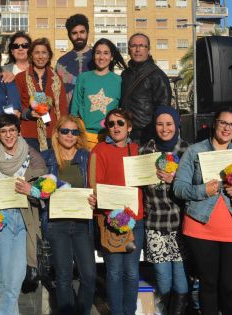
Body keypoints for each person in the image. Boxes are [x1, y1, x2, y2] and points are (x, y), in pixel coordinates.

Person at [173, 108, 232, 315]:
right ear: (215, 123)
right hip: (201, 228)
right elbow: (178, 187)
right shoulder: (194, 151)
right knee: (208, 285)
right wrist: (203, 190)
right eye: (223, 123)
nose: (227, 128)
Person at [0, 113, 47, 315]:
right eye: (3, 131)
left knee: (16, 278)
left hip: (25, 220)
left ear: (18, 131)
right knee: (5, 280)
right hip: (0, 219)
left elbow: (46, 191)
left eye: (12, 130)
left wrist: (30, 191)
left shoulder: (32, 155)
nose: (8, 135)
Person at [89, 108, 144, 315]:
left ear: (129, 126)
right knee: (113, 272)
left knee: (131, 272)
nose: (115, 127)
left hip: (135, 220)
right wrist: (110, 211)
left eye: (120, 123)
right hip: (110, 220)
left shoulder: (138, 150)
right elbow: (95, 185)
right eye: (110, 124)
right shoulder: (99, 150)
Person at [41, 115, 97, 315]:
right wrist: (41, 191)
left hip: (82, 224)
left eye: (75, 132)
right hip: (57, 225)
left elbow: (95, 186)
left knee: (89, 276)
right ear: (57, 133)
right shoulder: (46, 157)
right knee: (64, 277)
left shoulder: (87, 156)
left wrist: (95, 199)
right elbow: (37, 190)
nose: (70, 135)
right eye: (65, 131)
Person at [139, 106, 189, 315]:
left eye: (169, 124)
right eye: (160, 124)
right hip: (155, 222)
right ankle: (168, 309)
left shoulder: (188, 151)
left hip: (181, 223)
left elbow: (195, 185)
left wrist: (175, 179)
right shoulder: (144, 152)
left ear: (177, 125)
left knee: (180, 274)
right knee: (162, 275)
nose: (164, 128)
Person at [70, 38, 125, 148]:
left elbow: (121, 111)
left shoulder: (119, 80)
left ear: (112, 56)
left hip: (109, 138)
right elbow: (74, 108)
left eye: (106, 53)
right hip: (85, 138)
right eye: (98, 53)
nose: (101, 57)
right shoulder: (83, 78)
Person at [15, 37, 68, 151]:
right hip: (29, 134)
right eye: (37, 53)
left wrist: (63, 131)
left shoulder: (57, 79)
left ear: (49, 55)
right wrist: (28, 113)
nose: (40, 56)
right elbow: (16, 105)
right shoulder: (20, 78)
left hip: (53, 133)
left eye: (44, 52)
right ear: (31, 55)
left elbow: (62, 108)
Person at [120, 33, 172, 145]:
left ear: (148, 50)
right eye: (133, 46)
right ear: (129, 50)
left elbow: (163, 109)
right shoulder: (125, 74)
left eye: (142, 46)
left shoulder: (157, 75)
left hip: (147, 136)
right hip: (125, 134)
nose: (138, 49)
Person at [55, 14, 93, 104]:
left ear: (88, 32)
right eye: (74, 33)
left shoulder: (99, 58)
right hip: (69, 115)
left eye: (82, 32)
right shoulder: (62, 62)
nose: (79, 36)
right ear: (69, 35)